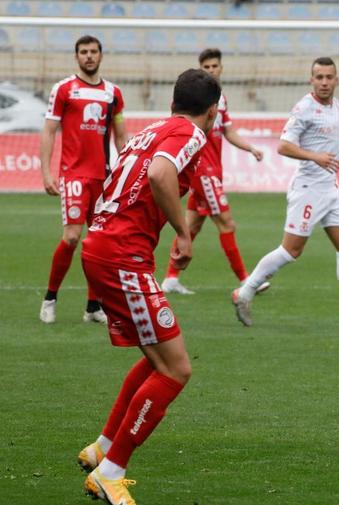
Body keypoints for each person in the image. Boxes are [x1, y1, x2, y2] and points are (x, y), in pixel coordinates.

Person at [76, 68, 221, 504]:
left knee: (157, 355)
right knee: (176, 368)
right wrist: (183, 231)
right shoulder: (191, 133)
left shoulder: (150, 129)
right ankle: (111, 472)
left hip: (104, 246)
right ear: (211, 111)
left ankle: (102, 447)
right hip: (122, 256)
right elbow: (160, 176)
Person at [232, 57, 339, 329]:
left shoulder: (336, 106)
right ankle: (245, 292)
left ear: (336, 80)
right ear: (311, 80)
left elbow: (332, 143)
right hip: (308, 190)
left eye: (329, 77)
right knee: (291, 250)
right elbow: (283, 146)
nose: (324, 82)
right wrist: (314, 157)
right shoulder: (303, 109)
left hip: (331, 189)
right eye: (319, 77)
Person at [161, 48, 268, 295]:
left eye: (214, 66)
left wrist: (250, 147)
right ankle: (246, 279)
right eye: (206, 67)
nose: (211, 70)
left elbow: (228, 131)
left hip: (214, 170)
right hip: (202, 171)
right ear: (201, 69)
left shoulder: (223, 100)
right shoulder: (195, 101)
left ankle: (170, 278)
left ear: (221, 68)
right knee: (227, 223)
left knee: (192, 226)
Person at [39, 35, 127, 324]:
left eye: (93, 51)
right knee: (73, 236)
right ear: (76, 56)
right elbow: (49, 131)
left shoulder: (113, 93)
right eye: (83, 52)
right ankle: (50, 298)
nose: (89, 56)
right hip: (74, 175)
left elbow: (121, 134)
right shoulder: (64, 89)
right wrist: (47, 172)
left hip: (103, 177)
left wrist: (124, 171)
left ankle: (93, 307)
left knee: (99, 242)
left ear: (101, 55)